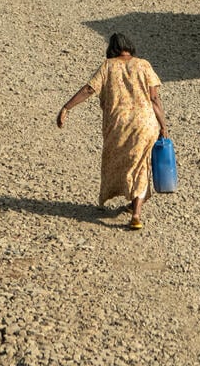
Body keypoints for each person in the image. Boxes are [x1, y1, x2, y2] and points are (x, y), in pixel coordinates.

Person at [57, 33, 168, 231]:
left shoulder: (108, 66)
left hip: (118, 124)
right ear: (130, 46)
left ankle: (132, 202)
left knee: (126, 163)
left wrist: (67, 107)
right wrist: (164, 127)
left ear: (112, 49)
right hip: (145, 123)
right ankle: (136, 212)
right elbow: (154, 99)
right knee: (141, 165)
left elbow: (89, 89)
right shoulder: (143, 65)